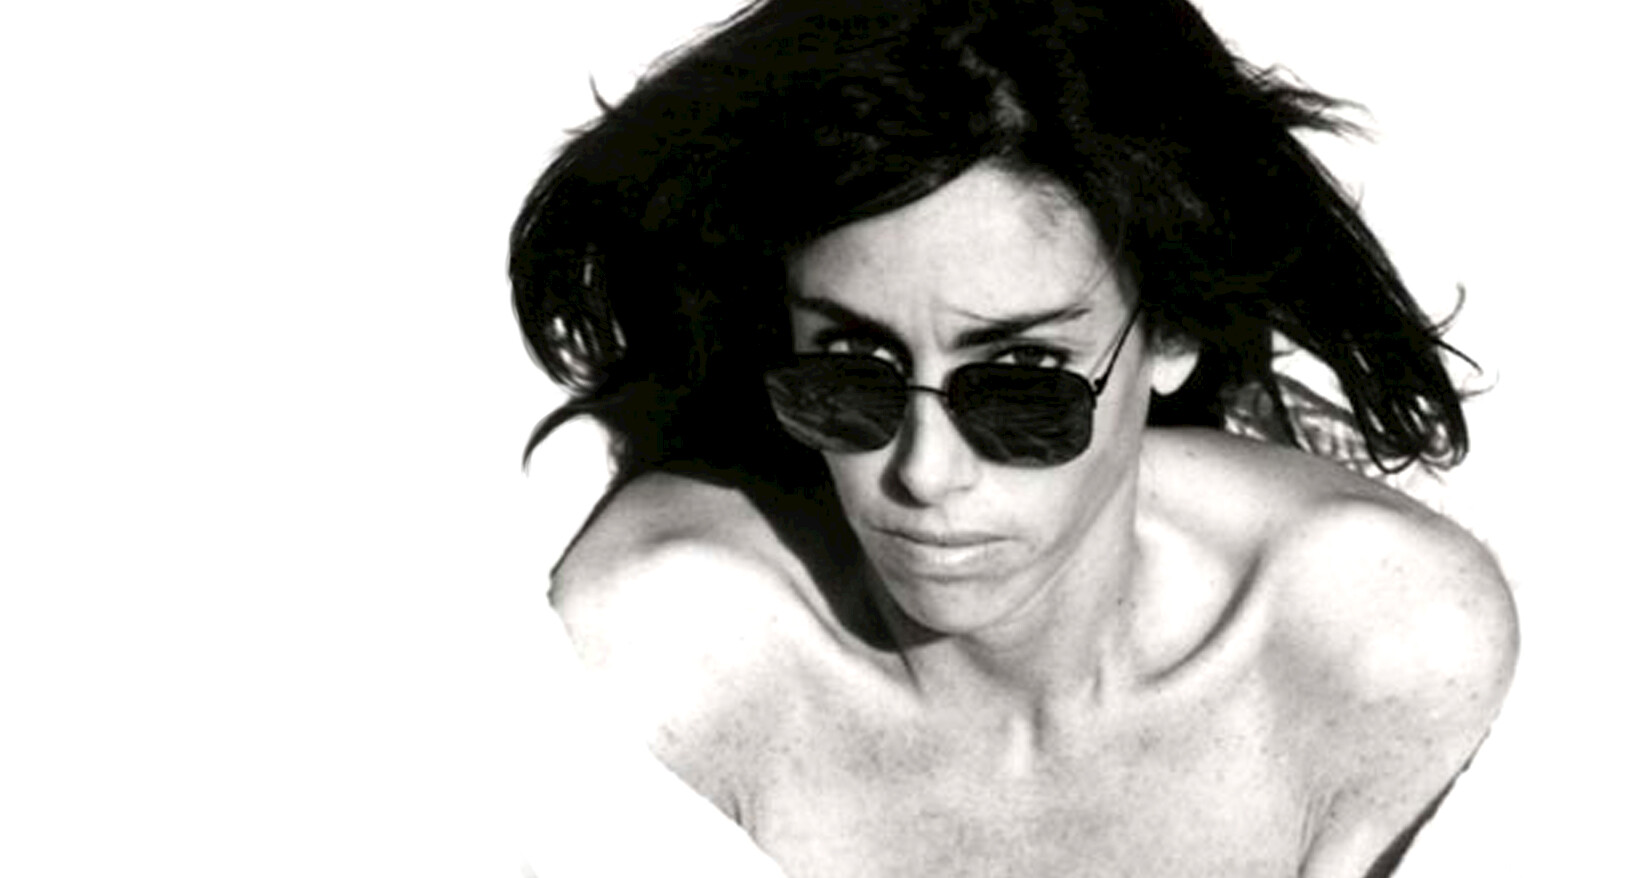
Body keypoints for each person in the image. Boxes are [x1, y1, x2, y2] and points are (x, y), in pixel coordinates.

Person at [509, 1, 1518, 875]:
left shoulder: (1381, 645)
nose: (924, 471)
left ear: (1171, 330)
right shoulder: (662, 653)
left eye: (1022, 379)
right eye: (851, 365)